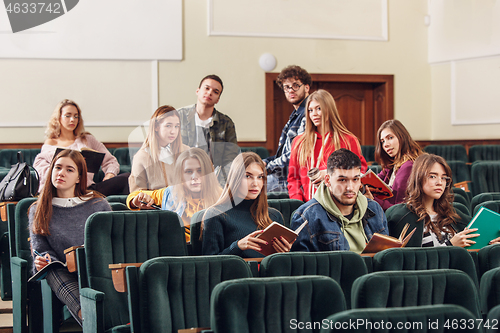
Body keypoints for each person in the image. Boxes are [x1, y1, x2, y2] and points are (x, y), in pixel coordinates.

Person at [29, 149, 111, 326]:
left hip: (95, 268)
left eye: (69, 170)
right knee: (51, 269)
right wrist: (41, 260)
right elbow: (41, 249)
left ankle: (97, 322)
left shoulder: (98, 204)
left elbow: (110, 244)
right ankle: (91, 321)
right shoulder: (39, 208)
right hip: (63, 271)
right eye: (58, 167)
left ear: (79, 178)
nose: (61, 173)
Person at [290, 149, 387, 253]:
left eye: (355, 179)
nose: (350, 187)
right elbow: (305, 266)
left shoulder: (374, 209)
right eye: (342, 180)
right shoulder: (306, 217)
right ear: (327, 180)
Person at [202, 152, 292, 258]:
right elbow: (210, 264)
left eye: (260, 177)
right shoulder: (215, 215)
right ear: (235, 178)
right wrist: (237, 246)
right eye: (248, 176)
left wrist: (285, 254)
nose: (255, 183)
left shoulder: (274, 216)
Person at [33, 99, 129, 196]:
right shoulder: (51, 143)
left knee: (127, 178)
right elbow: (43, 172)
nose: (72, 120)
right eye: (68, 115)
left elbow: (111, 161)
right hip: (62, 191)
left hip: (88, 190)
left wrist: (109, 176)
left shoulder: (87, 139)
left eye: (76, 116)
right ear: (58, 118)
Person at [288, 89, 367, 202]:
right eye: (310, 110)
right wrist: (298, 204)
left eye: (318, 108)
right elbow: (293, 179)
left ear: (329, 110)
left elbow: (361, 172)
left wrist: (330, 172)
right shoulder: (299, 142)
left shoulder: (349, 140)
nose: (314, 114)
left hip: (340, 205)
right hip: (308, 206)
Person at [126, 148, 221, 242]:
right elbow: (133, 196)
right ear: (181, 175)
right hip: (176, 251)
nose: (195, 177)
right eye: (189, 171)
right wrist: (137, 200)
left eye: (200, 171)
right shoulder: (170, 193)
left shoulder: (222, 197)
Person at [387, 153, 478, 247]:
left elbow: (477, 237)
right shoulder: (402, 216)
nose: (440, 183)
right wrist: (450, 245)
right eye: (432, 176)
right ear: (418, 178)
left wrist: (492, 240)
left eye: (443, 178)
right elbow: (411, 258)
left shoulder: (452, 213)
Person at [177, 75, 239, 180]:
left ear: (218, 99)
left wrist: (218, 183)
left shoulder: (226, 123)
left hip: (212, 179)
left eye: (215, 92)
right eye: (206, 88)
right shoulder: (179, 117)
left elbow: (230, 159)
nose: (210, 93)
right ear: (197, 91)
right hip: (182, 176)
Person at [263, 65, 312, 192]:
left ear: (306, 87)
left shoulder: (309, 113)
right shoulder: (294, 116)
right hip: (282, 176)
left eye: (295, 85)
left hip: (294, 180)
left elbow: (297, 155)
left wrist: (267, 167)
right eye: (286, 87)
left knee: (243, 186)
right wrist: (263, 162)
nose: (291, 90)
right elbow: (284, 154)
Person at [364, 119, 422, 210]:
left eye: (390, 138)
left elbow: (398, 209)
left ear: (402, 137)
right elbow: (376, 181)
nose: (385, 145)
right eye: (382, 141)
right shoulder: (392, 164)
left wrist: (371, 199)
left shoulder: (408, 166)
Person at [129, 105, 189, 192]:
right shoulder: (142, 157)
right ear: (156, 127)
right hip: (155, 204)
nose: (173, 131)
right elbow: (136, 193)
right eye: (168, 126)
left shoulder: (187, 152)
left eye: (177, 126)